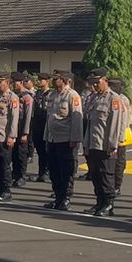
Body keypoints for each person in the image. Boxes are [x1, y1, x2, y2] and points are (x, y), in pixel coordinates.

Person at [82, 69, 129, 217]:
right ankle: (99, 202)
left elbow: (116, 124)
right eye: (93, 83)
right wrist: (86, 143)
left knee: (106, 176)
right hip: (93, 144)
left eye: (97, 82)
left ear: (105, 81)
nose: (95, 85)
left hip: (106, 145)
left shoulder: (114, 99)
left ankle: (109, 204)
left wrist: (113, 145)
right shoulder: (93, 98)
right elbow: (90, 124)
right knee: (95, 175)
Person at [43, 70, 83, 211]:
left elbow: (77, 119)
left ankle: (65, 198)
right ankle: (58, 197)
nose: (54, 81)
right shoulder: (52, 95)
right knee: (54, 171)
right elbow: (49, 118)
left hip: (66, 140)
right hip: (53, 139)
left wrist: (75, 139)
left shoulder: (72, 95)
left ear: (65, 80)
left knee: (66, 171)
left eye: (57, 79)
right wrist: (46, 137)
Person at [0, 73, 21, 201]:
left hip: (3, 137)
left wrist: (12, 136)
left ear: (7, 83)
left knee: (4, 165)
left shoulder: (12, 98)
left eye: (0, 82)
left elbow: (14, 118)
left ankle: (6, 191)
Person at [11, 73, 35, 186]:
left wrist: (25, 132)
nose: (13, 84)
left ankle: (21, 176)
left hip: (22, 126)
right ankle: (15, 174)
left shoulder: (27, 97)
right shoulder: (14, 95)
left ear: (20, 82)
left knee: (21, 153)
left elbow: (28, 115)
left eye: (14, 82)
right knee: (14, 153)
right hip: (14, 126)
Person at [32, 74, 52, 184]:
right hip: (37, 124)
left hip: (46, 123)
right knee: (40, 150)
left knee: (46, 150)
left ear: (47, 81)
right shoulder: (37, 93)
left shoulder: (51, 94)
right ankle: (41, 172)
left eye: (42, 80)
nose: (40, 81)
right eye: (39, 79)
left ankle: (47, 171)